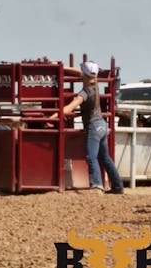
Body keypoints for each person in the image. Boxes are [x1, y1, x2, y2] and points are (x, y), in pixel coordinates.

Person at [49, 61, 124, 194]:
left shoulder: (84, 92)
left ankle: (96, 186)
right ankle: (118, 186)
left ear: (85, 74)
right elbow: (79, 72)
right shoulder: (95, 84)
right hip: (102, 125)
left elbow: (70, 107)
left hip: (93, 127)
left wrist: (54, 116)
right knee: (105, 158)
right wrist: (59, 65)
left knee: (91, 157)